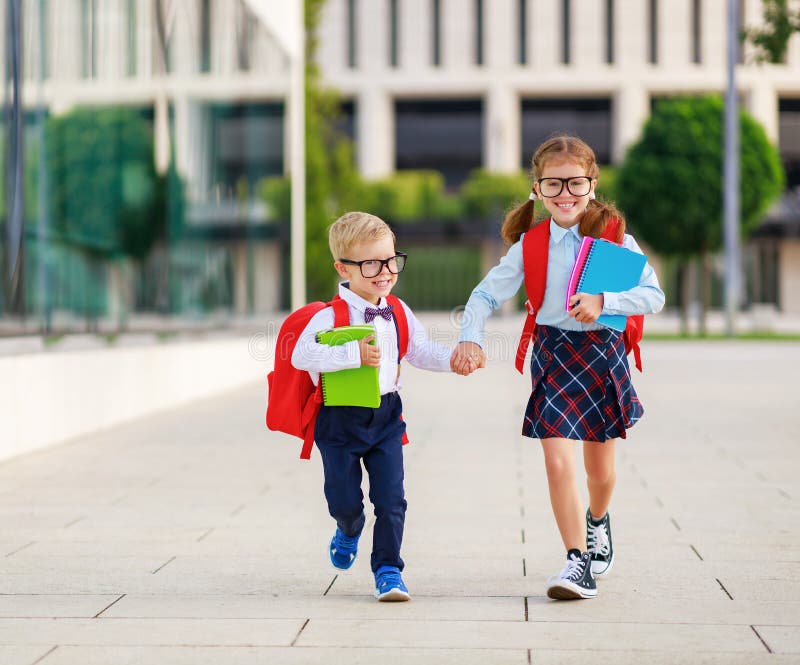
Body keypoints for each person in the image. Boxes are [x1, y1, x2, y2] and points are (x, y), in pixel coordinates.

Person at [450, 135, 665, 600]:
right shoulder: (529, 245)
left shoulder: (615, 239)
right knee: (555, 458)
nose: (565, 194)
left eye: (575, 183)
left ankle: (597, 521)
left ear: (593, 183)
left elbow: (654, 294)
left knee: (600, 472)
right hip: (553, 354)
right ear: (537, 189)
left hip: (603, 354)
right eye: (553, 184)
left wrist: (605, 300)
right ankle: (576, 561)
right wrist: (471, 335)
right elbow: (485, 294)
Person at [292, 211, 461, 601]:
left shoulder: (398, 310)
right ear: (343, 268)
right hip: (338, 420)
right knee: (344, 499)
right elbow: (302, 355)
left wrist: (452, 359)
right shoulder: (327, 316)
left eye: (390, 260)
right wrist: (352, 353)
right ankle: (348, 528)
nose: (384, 271)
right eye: (371, 263)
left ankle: (387, 569)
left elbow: (418, 350)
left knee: (392, 498)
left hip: (386, 417)